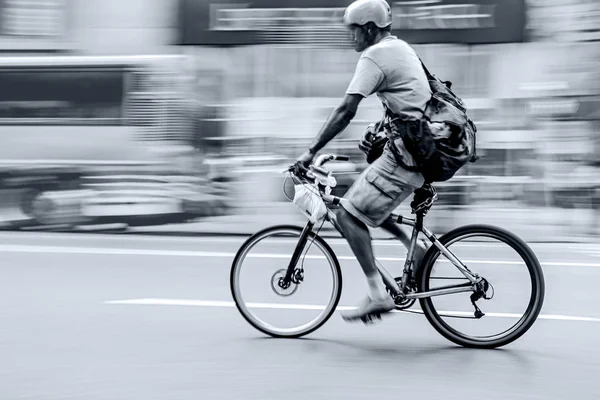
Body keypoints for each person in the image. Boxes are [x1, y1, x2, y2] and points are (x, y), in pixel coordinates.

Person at [292, 0, 432, 323]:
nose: (350, 37)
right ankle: (416, 247)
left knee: (346, 215)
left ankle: (377, 295)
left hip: (407, 156)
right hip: (417, 151)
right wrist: (377, 132)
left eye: (353, 31)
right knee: (361, 203)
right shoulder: (400, 48)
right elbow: (406, 102)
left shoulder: (375, 55)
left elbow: (345, 110)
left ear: (369, 29)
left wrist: (310, 152)